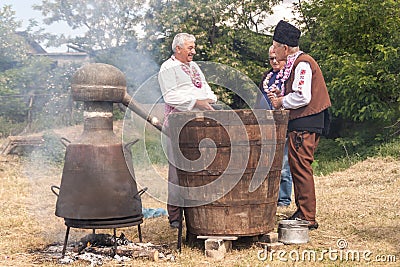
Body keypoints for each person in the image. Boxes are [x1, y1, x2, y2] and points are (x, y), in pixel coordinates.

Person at [267, 20, 331, 230]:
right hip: (303, 122)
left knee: (301, 167)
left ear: (285, 48)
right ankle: (303, 211)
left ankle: (307, 216)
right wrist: (283, 95)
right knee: (297, 166)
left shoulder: (302, 63)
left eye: (275, 47)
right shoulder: (297, 62)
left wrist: (281, 101)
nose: (274, 52)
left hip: (305, 123)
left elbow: (303, 96)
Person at [158, 33, 218, 228]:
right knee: (177, 172)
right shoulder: (168, 68)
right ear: (178, 49)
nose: (194, 51)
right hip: (177, 126)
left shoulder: (194, 67)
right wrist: (195, 102)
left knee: (199, 169)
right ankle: (175, 217)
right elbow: (171, 97)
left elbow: (206, 88)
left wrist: (209, 99)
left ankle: (197, 213)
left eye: (194, 47)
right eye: (190, 48)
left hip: (197, 125)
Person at [255, 45, 293, 207]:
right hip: (265, 126)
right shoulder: (267, 77)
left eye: (277, 57)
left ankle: (283, 200)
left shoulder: (290, 75)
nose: (275, 61)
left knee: (284, 164)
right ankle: (267, 198)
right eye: (271, 59)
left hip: (284, 125)